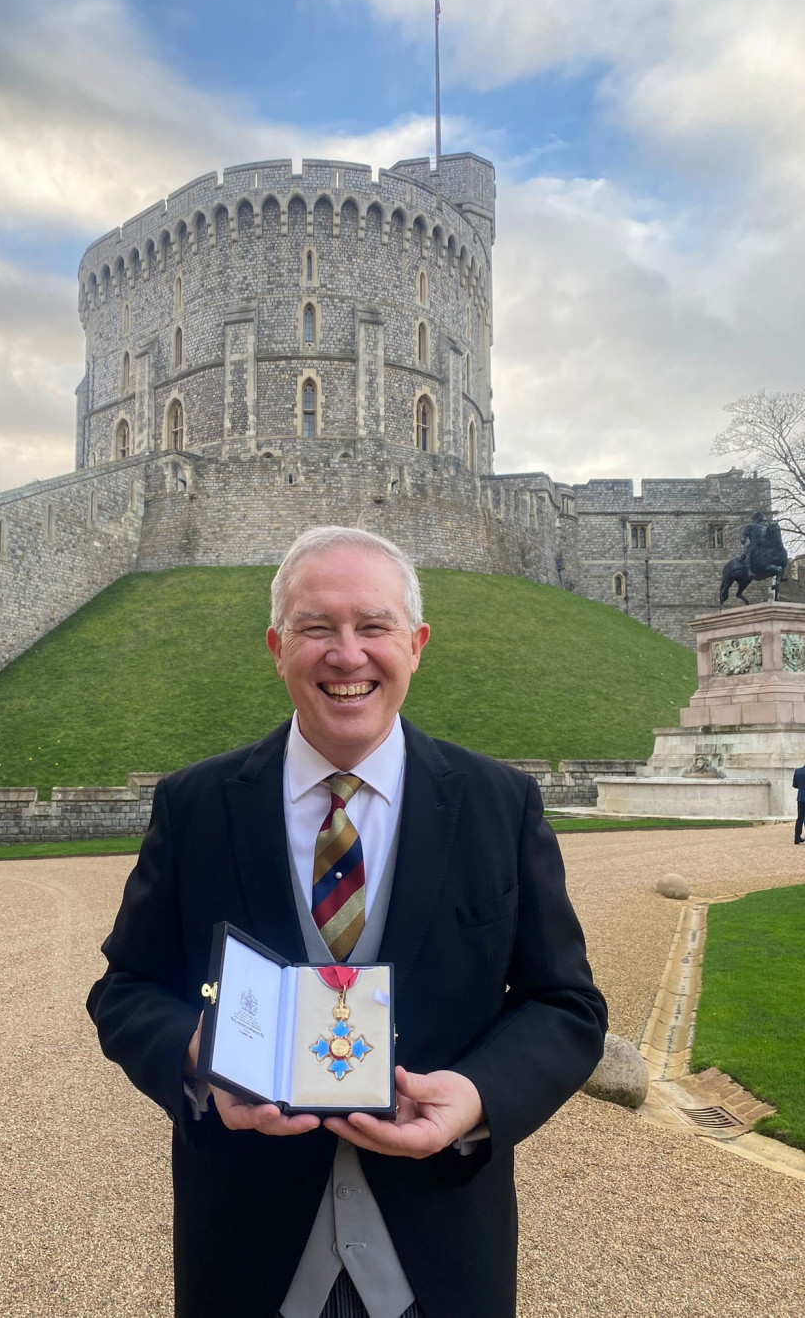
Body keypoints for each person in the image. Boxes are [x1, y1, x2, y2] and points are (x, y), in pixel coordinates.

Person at [87, 526, 607, 1318]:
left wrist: (474, 1096)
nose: (347, 654)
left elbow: (566, 1005)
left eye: (373, 626)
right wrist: (199, 1056)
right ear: (276, 645)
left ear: (416, 643)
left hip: (439, 1256)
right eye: (317, 627)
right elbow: (126, 987)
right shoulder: (196, 806)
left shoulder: (498, 805)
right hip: (247, 1258)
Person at [793, 763, 805, 844]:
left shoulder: (797, 771)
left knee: (800, 818)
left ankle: (797, 837)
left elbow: (795, 785)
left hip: (801, 797)